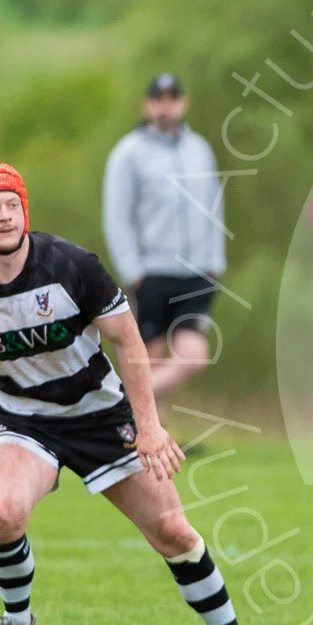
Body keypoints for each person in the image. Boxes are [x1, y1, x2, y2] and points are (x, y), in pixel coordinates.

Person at [0, 163, 271, 625]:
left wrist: (148, 427)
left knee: (172, 530)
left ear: (24, 208)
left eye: (12, 204)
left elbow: (128, 341)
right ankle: (17, 621)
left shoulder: (70, 265)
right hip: (24, 421)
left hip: (101, 414)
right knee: (4, 514)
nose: (4, 216)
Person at [102, 73, 225, 402]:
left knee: (194, 355)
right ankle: (150, 441)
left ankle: (125, 401)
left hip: (197, 270)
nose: (165, 108)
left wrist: (215, 260)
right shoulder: (128, 154)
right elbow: (117, 217)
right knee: (148, 357)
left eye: (171, 100)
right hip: (151, 271)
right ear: (148, 105)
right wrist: (133, 271)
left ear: (182, 103)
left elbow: (213, 207)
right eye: (158, 100)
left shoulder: (199, 149)